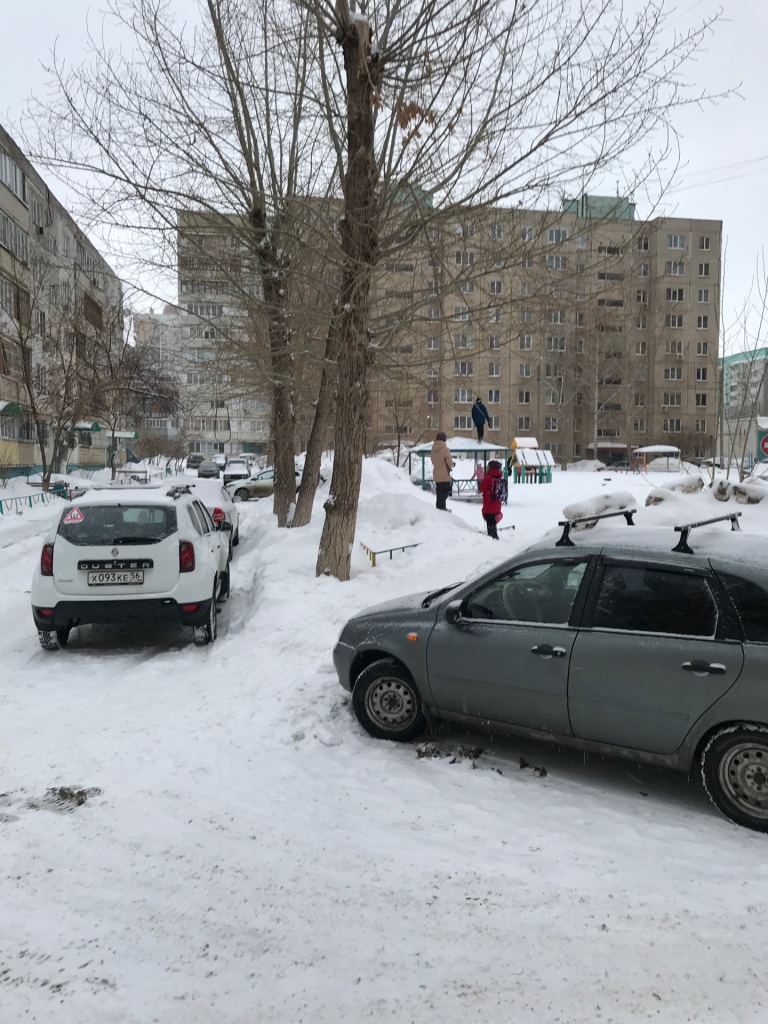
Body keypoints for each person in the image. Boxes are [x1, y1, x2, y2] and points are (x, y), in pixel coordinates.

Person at [479, 459, 504, 538]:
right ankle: (494, 534)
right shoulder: (499, 477)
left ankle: (491, 537)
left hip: (489, 502)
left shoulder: (488, 477)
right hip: (497, 502)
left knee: (489, 520)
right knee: (493, 521)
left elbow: (481, 489)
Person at [430, 431, 454, 511]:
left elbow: (433, 461)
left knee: (439, 492)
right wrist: (453, 464)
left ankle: (439, 507)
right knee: (444, 492)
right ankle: (441, 508)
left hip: (436, 473)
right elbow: (449, 463)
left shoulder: (433, 449)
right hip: (444, 474)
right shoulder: (445, 449)